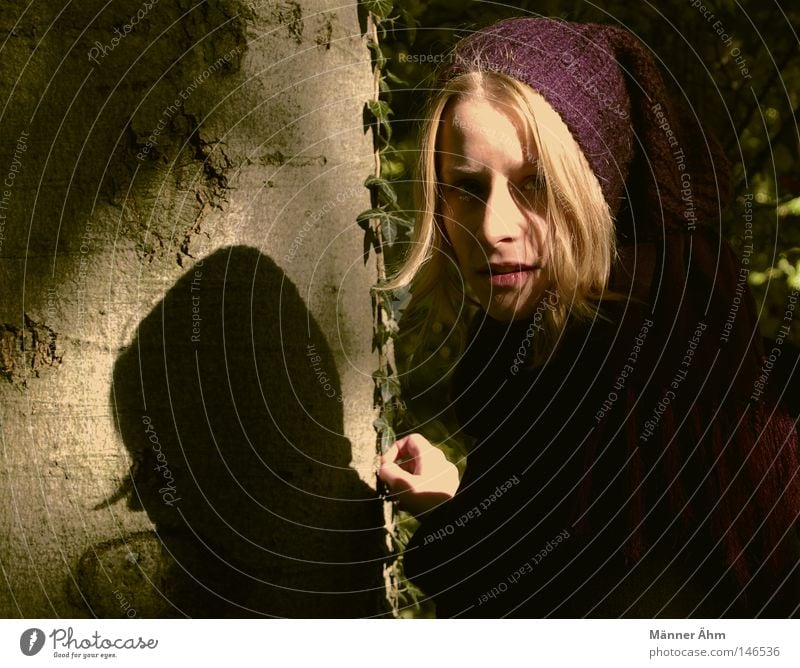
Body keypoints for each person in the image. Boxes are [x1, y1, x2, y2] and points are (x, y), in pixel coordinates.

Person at [377, 17, 800, 617]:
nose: (495, 228)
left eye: (535, 185)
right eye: (468, 188)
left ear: (593, 186)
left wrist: (464, 525)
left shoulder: (660, 334)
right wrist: (462, 499)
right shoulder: (534, 328)